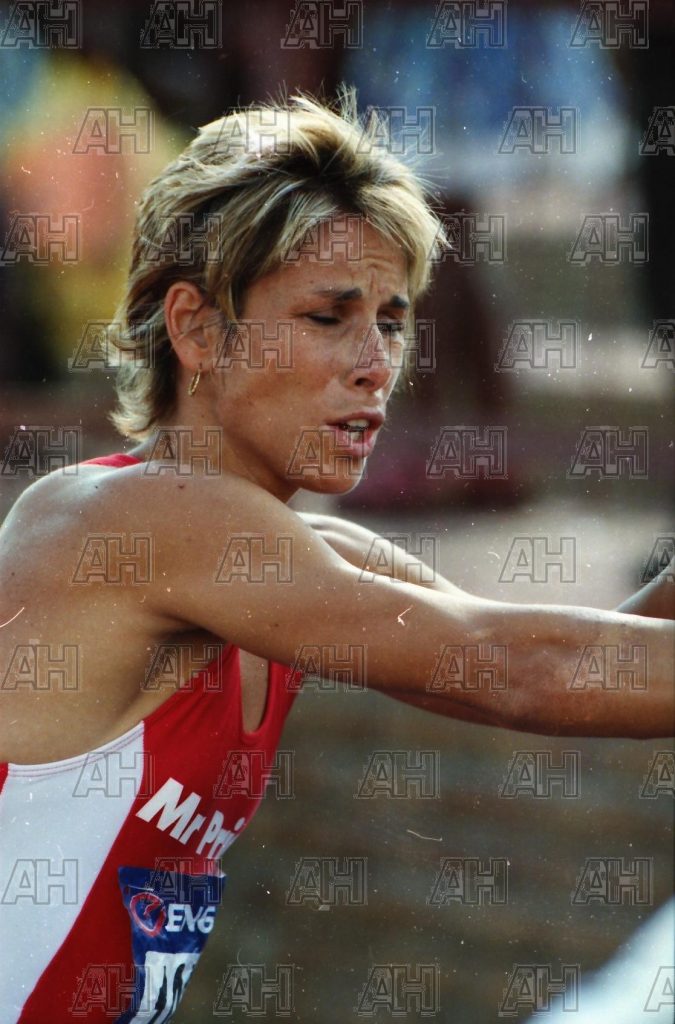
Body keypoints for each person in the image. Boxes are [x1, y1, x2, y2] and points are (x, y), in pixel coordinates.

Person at [0, 91, 672, 1024]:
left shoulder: (305, 556)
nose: (373, 364)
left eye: (391, 322)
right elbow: (530, 672)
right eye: (327, 317)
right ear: (196, 328)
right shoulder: (134, 520)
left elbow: (599, 653)